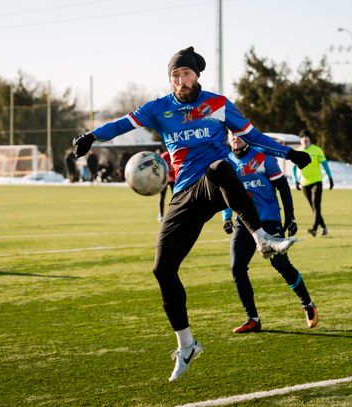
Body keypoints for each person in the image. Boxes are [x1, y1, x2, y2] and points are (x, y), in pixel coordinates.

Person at [72, 46, 311, 381]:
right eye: (175, 75)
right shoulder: (159, 108)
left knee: (220, 167)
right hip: (184, 194)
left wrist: (289, 154)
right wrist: (92, 136)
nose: (180, 80)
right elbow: (123, 123)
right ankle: (186, 345)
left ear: (196, 75)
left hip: (214, 185)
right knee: (162, 269)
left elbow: (252, 137)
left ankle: (262, 239)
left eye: (185, 74)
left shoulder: (218, 104)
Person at [222, 134, 318, 333]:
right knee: (237, 268)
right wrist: (227, 217)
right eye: (231, 134)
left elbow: (282, 187)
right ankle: (253, 319)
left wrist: (290, 216)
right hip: (244, 222)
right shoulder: (227, 161)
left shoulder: (263, 156)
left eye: (238, 134)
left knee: (281, 264)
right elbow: (226, 192)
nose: (235, 138)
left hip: (269, 219)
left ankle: (308, 304)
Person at [291, 129, 333, 237]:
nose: (305, 139)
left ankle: (314, 228)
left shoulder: (317, 150)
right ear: (300, 140)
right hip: (304, 183)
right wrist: (295, 181)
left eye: (306, 137)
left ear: (309, 139)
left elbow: (325, 164)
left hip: (317, 181)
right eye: (302, 137)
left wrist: (330, 177)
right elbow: (293, 168)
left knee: (316, 205)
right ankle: (324, 228)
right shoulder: (297, 151)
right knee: (313, 207)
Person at [158, 150, 175, 222]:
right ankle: (161, 214)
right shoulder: (164, 156)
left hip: (172, 179)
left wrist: (173, 177)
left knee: (176, 197)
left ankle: (174, 213)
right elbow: (160, 168)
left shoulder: (174, 154)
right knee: (162, 197)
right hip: (164, 179)